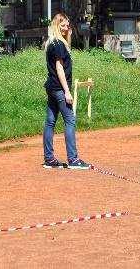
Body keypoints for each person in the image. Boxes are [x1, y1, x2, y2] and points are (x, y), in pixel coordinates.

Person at [42, 13, 91, 169]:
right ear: (56, 26)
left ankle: (49, 159)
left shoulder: (52, 43)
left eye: (67, 26)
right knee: (70, 120)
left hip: (51, 87)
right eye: (62, 25)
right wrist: (67, 92)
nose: (66, 28)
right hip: (59, 88)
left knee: (50, 122)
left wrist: (68, 36)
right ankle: (73, 159)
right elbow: (59, 68)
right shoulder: (58, 44)